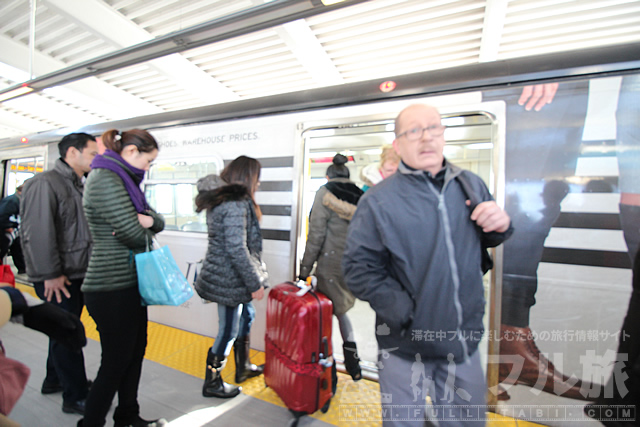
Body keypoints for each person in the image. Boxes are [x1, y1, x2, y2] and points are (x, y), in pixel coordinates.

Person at [342, 104, 512, 426]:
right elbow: (358, 269)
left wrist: (500, 227)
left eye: (434, 127)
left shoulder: (470, 184)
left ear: (443, 135)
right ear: (398, 144)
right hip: (404, 347)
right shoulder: (378, 201)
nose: (426, 138)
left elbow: (478, 243)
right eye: (414, 131)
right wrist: (409, 313)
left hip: (462, 343)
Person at [79, 129, 166, 427]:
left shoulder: (127, 181)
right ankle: (90, 424)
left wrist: (149, 222)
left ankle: (127, 416)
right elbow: (132, 233)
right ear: (131, 151)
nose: (148, 167)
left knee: (134, 353)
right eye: (148, 160)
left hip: (130, 283)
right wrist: (145, 224)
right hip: (109, 287)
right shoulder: (105, 179)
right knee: (115, 362)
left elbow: (156, 220)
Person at [20, 132, 97, 415]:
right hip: (57, 276)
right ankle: (75, 396)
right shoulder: (45, 183)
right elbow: (37, 232)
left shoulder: (78, 185)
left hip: (75, 272)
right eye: (92, 153)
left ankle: (54, 379)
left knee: (63, 328)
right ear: (72, 153)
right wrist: (50, 273)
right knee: (68, 332)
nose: (95, 159)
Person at [194, 155, 269, 399]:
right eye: (257, 178)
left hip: (230, 274)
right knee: (228, 330)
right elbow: (237, 248)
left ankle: (243, 367)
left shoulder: (226, 199)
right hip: (228, 277)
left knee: (247, 315)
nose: (258, 184)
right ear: (247, 177)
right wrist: (254, 283)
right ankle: (212, 382)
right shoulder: (234, 202)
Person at [299, 153, 364, 381]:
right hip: (353, 263)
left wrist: (304, 270)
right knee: (342, 310)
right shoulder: (360, 194)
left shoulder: (324, 194)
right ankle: (353, 362)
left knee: (325, 315)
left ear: (328, 175)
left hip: (329, 264)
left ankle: (329, 373)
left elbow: (315, 235)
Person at [0, 185, 25, 274]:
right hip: (4, 231)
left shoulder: (18, 200)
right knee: (4, 249)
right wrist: (7, 226)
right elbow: (2, 214)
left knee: (17, 248)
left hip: (13, 231)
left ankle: (22, 268)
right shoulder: (11, 201)